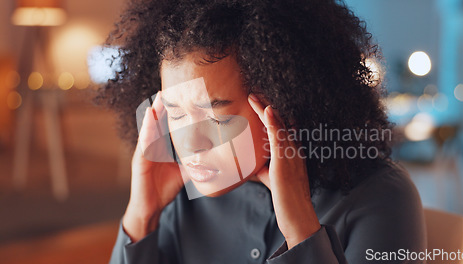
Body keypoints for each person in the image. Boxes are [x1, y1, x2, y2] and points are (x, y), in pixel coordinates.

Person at [95, 0, 427, 263]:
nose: (190, 144)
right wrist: (141, 215)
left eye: (218, 119)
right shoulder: (181, 195)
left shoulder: (378, 198)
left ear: (286, 102)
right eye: (177, 114)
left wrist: (301, 231)